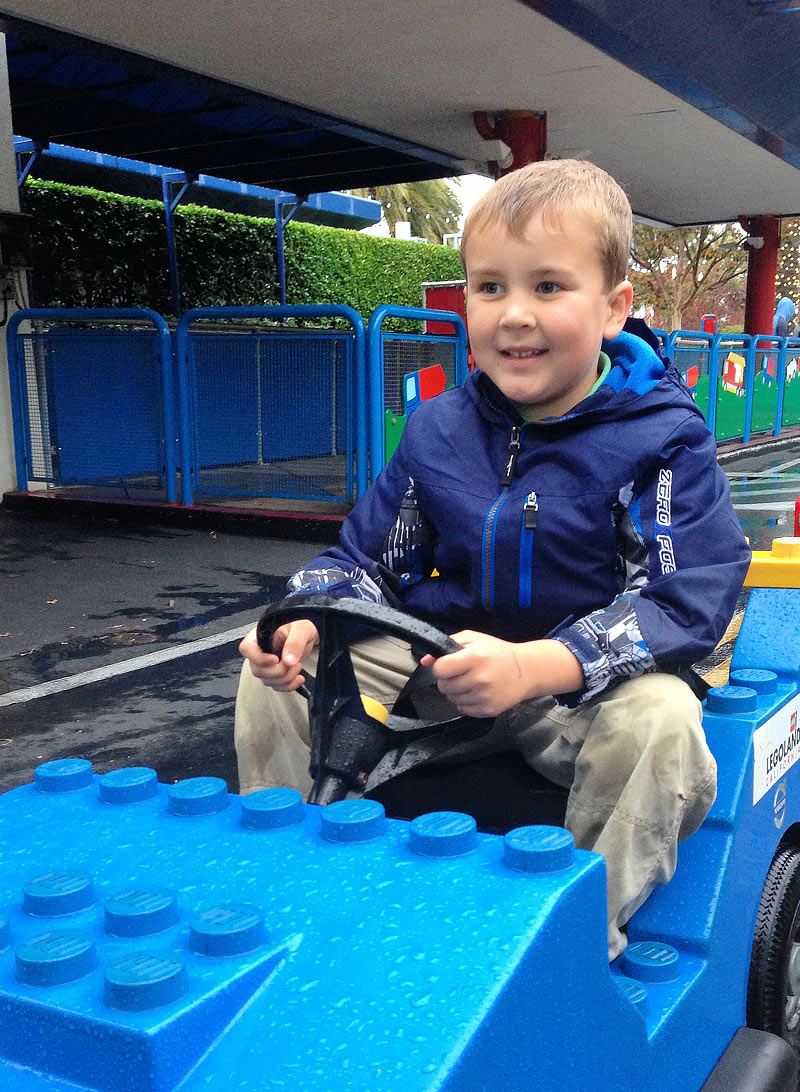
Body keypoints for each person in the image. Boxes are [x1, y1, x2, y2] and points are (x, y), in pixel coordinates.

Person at [235, 158, 751, 960]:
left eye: (549, 287)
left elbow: (682, 602)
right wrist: (305, 619)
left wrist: (538, 665)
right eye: (490, 287)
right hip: (450, 674)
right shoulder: (438, 430)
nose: (515, 315)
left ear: (614, 307)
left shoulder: (663, 438)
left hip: (577, 696)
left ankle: (578, 929)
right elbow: (364, 559)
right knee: (280, 664)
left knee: (665, 721)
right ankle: (285, 867)